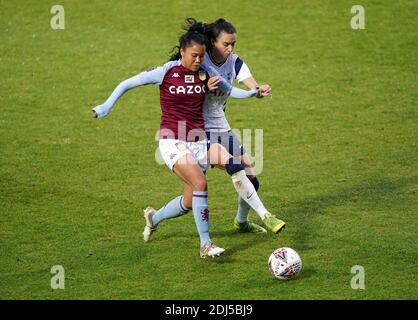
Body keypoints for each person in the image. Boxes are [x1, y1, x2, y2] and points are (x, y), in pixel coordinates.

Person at [92, 21, 259, 258]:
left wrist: (252, 93)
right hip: (172, 140)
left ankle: (154, 216)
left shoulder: (206, 73)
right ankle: (206, 244)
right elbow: (128, 83)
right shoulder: (166, 71)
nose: (198, 61)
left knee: (191, 200)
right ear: (182, 52)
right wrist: (106, 106)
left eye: (202, 56)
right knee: (201, 184)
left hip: (198, 140)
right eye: (194, 56)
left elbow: (231, 90)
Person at [143, 18, 286, 243]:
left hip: (221, 127)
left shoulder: (236, 63)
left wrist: (258, 91)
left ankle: (240, 221)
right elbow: (175, 71)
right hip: (197, 131)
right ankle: (264, 216)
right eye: (226, 44)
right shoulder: (200, 61)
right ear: (213, 42)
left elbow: (249, 84)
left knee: (249, 178)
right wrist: (155, 71)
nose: (230, 49)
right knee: (225, 173)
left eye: (233, 44)